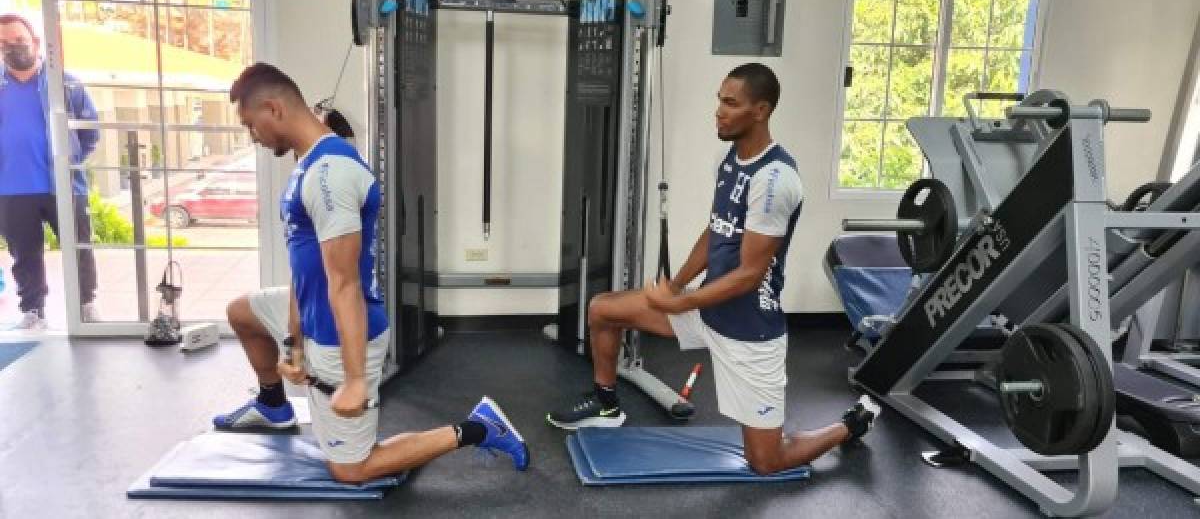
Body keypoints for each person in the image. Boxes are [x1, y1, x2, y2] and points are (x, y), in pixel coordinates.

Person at [546, 63, 881, 475]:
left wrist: (678, 300)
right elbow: (716, 231)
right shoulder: (731, 161)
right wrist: (678, 284)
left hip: (749, 329)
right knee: (603, 309)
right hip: (707, 310)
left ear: (760, 110)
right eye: (719, 100)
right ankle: (605, 402)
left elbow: (748, 276)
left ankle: (847, 427)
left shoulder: (775, 180)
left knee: (766, 461)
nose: (719, 111)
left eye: (730, 103)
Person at [213, 63, 528, 483]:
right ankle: (273, 405)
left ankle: (479, 427)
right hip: (314, 312)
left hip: (341, 333)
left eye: (251, 125)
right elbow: (303, 265)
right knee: (242, 312)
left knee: (352, 468)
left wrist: (356, 378)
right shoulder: (307, 164)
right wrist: (292, 345)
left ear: (272, 109)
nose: (253, 137)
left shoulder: (330, 174)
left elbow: (344, 285)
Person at [0, 13, 100, 330]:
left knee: (79, 249)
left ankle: (86, 306)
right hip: (12, 188)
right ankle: (33, 312)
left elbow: (90, 131)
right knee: (24, 255)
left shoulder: (65, 82)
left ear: (36, 43)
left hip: (64, 185)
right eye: (4, 43)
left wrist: (69, 162)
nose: (13, 47)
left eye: (19, 40)